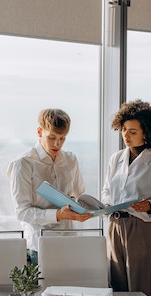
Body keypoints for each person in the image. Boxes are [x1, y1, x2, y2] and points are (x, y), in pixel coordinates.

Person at [101, 99, 151, 296]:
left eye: (133, 131)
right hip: (114, 226)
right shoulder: (115, 159)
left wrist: (149, 205)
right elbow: (107, 190)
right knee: (116, 289)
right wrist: (106, 204)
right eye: (124, 129)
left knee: (142, 291)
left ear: (147, 133)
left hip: (141, 229)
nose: (126, 135)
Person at [7, 108, 92, 265]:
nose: (57, 143)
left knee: (69, 290)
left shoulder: (71, 159)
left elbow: (80, 194)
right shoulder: (23, 163)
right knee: (40, 290)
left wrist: (85, 209)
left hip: (68, 243)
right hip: (38, 246)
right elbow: (22, 212)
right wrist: (58, 215)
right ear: (39, 132)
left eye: (62, 138)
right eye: (51, 137)